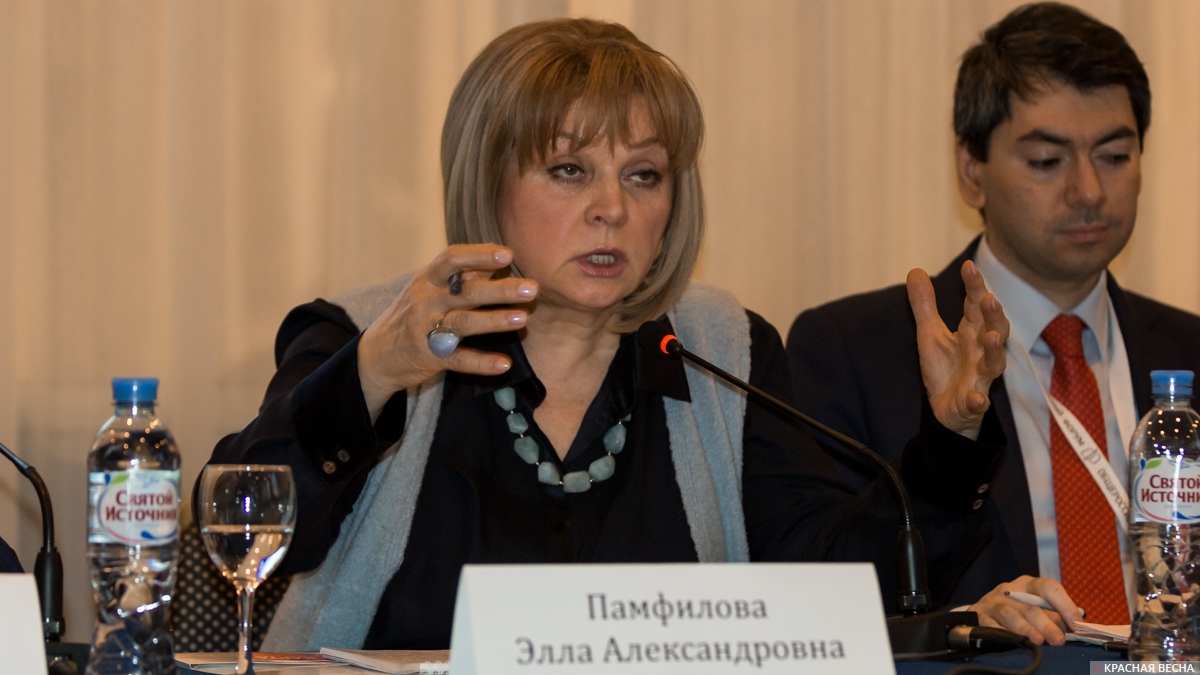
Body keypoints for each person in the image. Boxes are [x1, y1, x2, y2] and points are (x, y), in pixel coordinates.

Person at [205, 18, 1006, 651]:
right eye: (569, 170)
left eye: (643, 175)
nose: (613, 209)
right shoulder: (369, 333)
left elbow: (833, 590)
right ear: (487, 178)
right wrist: (374, 372)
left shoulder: (723, 350)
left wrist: (951, 438)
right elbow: (239, 530)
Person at [788, 1, 1200, 646]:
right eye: (1047, 161)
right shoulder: (852, 352)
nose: (1090, 191)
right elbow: (821, 605)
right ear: (971, 172)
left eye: (1115, 155)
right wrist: (955, 625)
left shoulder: (1190, 350)